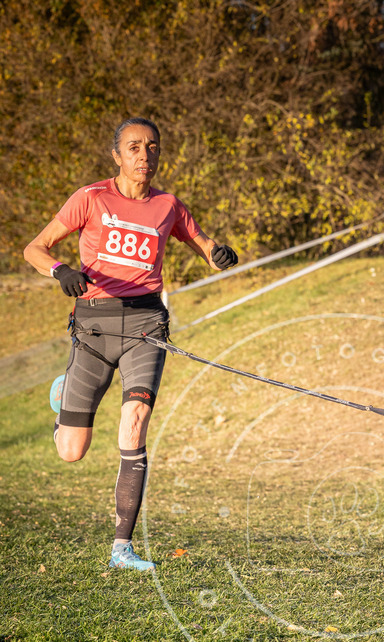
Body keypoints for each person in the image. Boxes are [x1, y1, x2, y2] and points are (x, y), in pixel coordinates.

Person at [23, 117, 237, 571]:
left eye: (152, 147)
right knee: (71, 451)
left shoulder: (168, 205)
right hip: (94, 327)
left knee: (134, 421)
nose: (145, 156)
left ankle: (123, 548)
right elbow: (34, 248)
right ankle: (65, 391)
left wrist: (219, 254)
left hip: (145, 325)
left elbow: (204, 244)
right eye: (135, 148)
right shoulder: (91, 197)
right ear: (117, 155)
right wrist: (61, 270)